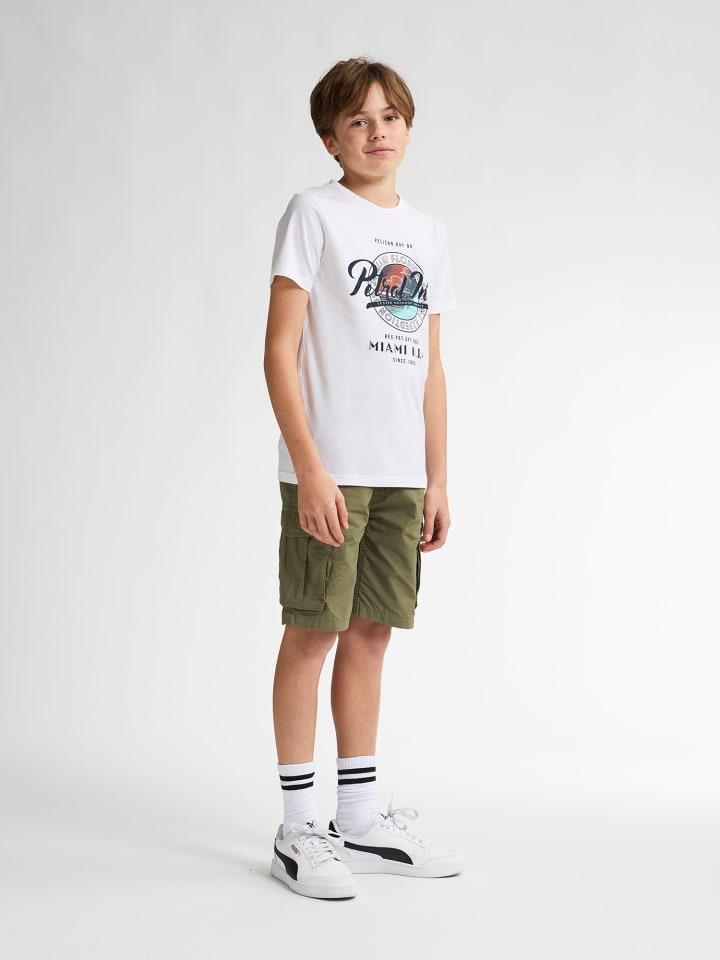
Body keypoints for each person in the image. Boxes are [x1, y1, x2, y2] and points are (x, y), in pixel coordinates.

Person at [264, 57, 464, 899]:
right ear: (331, 139)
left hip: (399, 473)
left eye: (390, 117)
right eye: (358, 121)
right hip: (334, 468)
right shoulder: (314, 214)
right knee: (314, 630)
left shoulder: (428, 234)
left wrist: (437, 478)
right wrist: (309, 467)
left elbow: (430, 367)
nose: (377, 132)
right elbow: (279, 350)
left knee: (373, 633)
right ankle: (298, 827)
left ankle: (359, 817)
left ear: (408, 129)